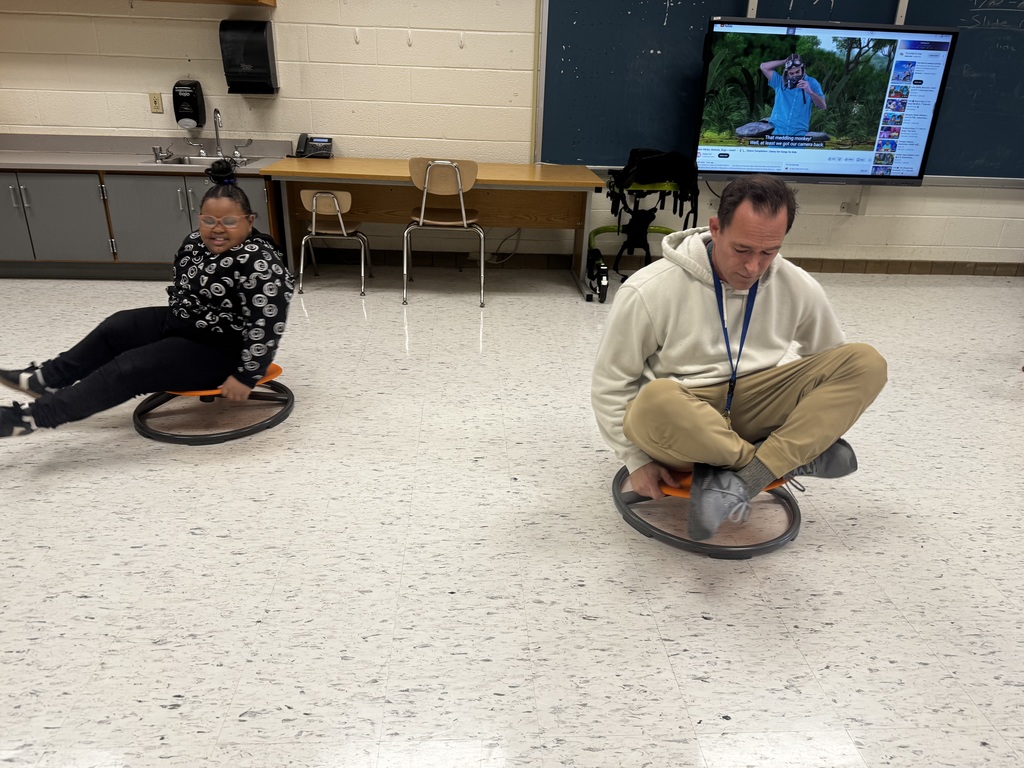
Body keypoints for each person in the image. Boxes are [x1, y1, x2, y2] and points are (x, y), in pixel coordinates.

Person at [591, 174, 886, 541]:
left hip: (755, 403)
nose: (753, 267)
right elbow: (610, 384)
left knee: (865, 361)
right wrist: (635, 460)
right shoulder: (648, 289)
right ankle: (777, 460)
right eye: (742, 250)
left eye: (768, 252)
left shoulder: (796, 284)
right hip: (682, 421)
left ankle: (744, 475)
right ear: (716, 228)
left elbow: (830, 368)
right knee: (655, 399)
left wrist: (816, 415)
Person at [0, 159, 293, 438]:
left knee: (131, 368)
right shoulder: (195, 243)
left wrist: (246, 375)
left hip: (223, 350)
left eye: (229, 221)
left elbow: (266, 324)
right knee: (117, 326)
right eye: (209, 220)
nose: (217, 228)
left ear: (250, 220)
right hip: (184, 324)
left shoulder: (260, 262)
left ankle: (32, 417)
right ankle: (46, 380)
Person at [759, 54, 827, 136]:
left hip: (799, 133)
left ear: (803, 69)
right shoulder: (779, 82)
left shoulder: (812, 82)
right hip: (777, 131)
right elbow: (763, 67)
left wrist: (810, 92)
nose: (795, 75)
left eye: (797, 72)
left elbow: (823, 106)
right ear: (787, 73)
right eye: (791, 73)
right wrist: (785, 61)